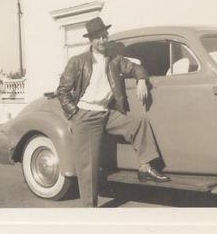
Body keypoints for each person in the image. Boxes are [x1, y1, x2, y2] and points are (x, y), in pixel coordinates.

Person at [56, 17, 170, 208]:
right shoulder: (78, 61)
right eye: (98, 37)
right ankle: (89, 210)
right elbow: (62, 91)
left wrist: (141, 79)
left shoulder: (114, 59)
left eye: (105, 36)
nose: (103, 40)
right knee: (89, 168)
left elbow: (135, 68)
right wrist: (74, 114)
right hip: (85, 116)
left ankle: (145, 166)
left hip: (108, 113)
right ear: (91, 40)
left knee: (138, 123)